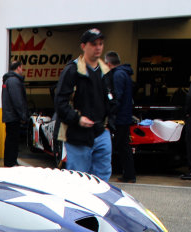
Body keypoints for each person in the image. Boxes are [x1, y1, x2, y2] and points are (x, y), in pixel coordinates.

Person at [53, 28, 114, 180]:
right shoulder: (72, 71)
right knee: (79, 180)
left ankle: (100, 204)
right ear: (83, 46)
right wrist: (77, 118)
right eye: (93, 44)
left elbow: (112, 101)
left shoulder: (105, 72)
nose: (98, 47)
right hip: (77, 136)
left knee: (103, 180)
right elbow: (60, 103)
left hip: (101, 134)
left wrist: (110, 124)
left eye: (100, 43)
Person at [105, 51, 136, 182]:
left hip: (120, 117)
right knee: (124, 146)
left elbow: (117, 97)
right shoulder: (125, 74)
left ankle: (129, 175)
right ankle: (129, 174)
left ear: (108, 63)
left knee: (122, 146)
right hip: (125, 115)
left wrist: (110, 112)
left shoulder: (118, 75)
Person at [0, 60, 29, 168]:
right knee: (12, 140)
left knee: (11, 140)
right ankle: (11, 163)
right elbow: (17, 100)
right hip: (13, 116)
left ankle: (10, 162)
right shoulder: (13, 81)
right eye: (22, 67)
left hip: (10, 115)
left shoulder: (9, 80)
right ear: (18, 68)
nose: (22, 70)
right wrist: (23, 115)